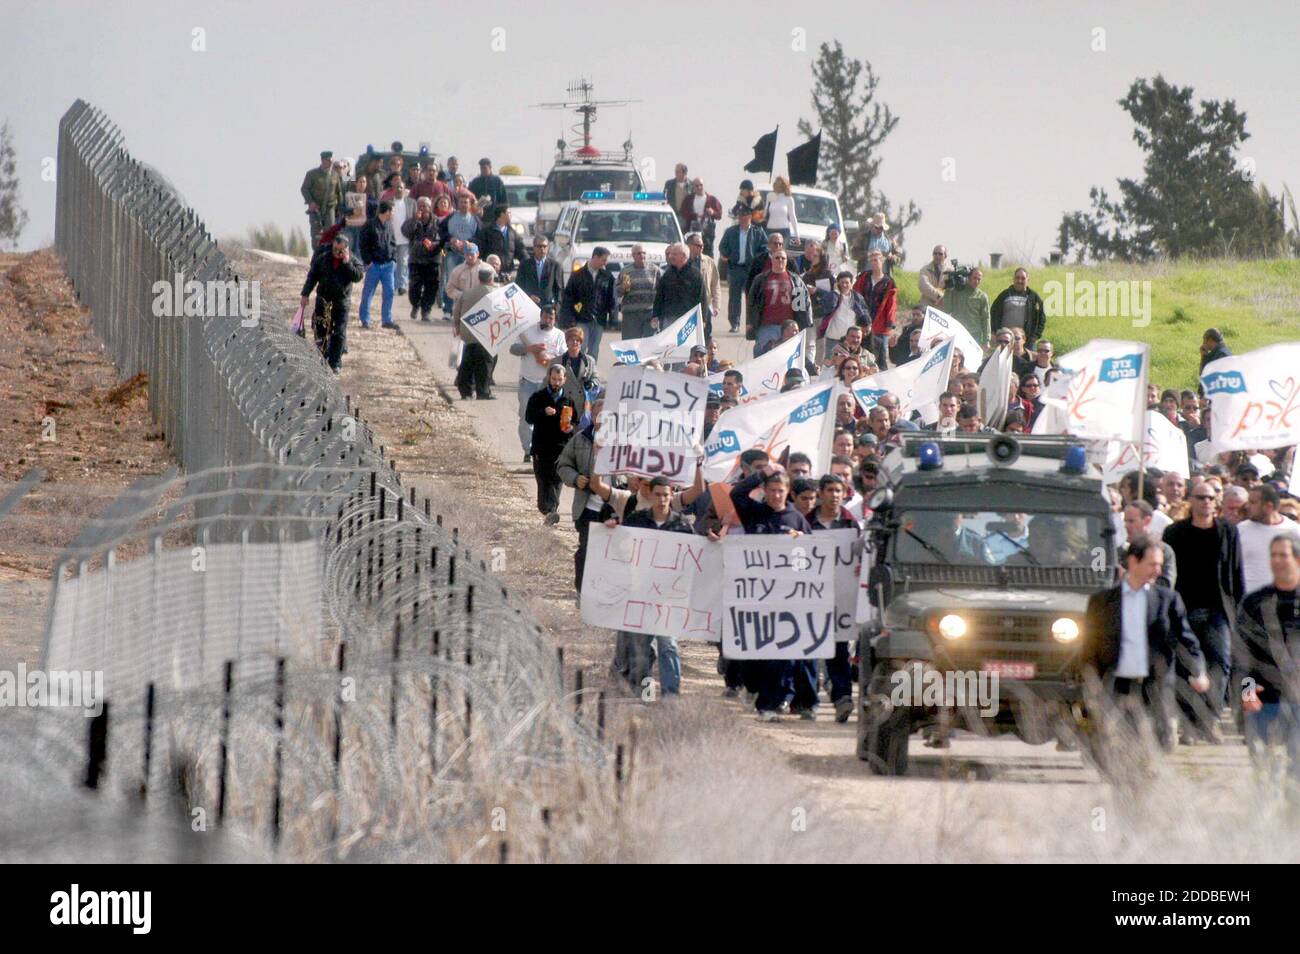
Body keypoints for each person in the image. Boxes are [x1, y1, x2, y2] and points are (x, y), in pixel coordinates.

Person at [1082, 535, 1210, 752]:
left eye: (1160, 565)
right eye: (1152, 564)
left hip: (1155, 684)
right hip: (1116, 683)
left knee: (1157, 746)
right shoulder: (1102, 601)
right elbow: (1090, 647)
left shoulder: (1167, 599)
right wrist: (1089, 682)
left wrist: (1197, 671)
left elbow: (1186, 639)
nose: (1158, 571)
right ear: (1133, 561)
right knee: (1111, 745)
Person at [1162, 479, 1245, 742]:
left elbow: (1236, 571)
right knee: (1186, 668)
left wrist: (1240, 611)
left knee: (1220, 663)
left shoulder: (1228, 531)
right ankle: (1188, 723)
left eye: (1210, 498)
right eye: (1201, 498)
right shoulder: (1175, 533)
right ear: (1191, 501)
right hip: (1184, 608)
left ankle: (1210, 719)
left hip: (1218, 610)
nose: (1206, 502)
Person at [729, 464, 813, 721]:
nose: (777, 495)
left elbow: (813, 558)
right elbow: (736, 495)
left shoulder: (797, 519)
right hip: (756, 597)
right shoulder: (754, 513)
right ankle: (755, 690)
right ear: (765, 490)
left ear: (788, 492)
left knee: (781, 655)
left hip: (787, 598)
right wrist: (761, 473)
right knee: (755, 657)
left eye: (781, 491)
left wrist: (802, 543)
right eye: (772, 490)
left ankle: (770, 704)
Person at [616, 476, 696, 697]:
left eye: (666, 495)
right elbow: (620, 547)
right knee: (642, 650)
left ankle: (671, 695)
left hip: (669, 597)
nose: (662, 499)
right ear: (650, 494)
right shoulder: (636, 520)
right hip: (641, 594)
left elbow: (695, 557)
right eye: (658, 495)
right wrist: (611, 529)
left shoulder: (682, 525)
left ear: (672, 496)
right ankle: (646, 695)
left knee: (668, 644)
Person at [1236, 536, 1300, 777]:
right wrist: (1246, 692)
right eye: (1273, 555)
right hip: (1265, 701)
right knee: (1265, 774)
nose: (1277, 561)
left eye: (1283, 555)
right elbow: (1242, 654)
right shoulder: (1256, 602)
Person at [809, 473, 859, 722]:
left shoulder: (850, 525)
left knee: (838, 648)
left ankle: (843, 699)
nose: (834, 495)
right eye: (830, 490)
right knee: (805, 647)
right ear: (821, 493)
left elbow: (858, 558)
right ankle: (806, 700)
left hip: (839, 600)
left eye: (839, 491)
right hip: (807, 596)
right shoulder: (807, 522)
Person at [510, 301, 567, 462]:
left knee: (548, 417)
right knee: (526, 415)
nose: (548, 320)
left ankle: (543, 450)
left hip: (547, 384)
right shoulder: (527, 332)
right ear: (540, 316)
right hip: (527, 380)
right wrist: (530, 349)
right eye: (545, 317)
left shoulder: (559, 335)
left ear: (555, 319)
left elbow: (563, 357)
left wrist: (550, 359)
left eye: (551, 318)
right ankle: (527, 449)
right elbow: (513, 349)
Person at [299, 233, 364, 372]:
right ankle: (322, 358)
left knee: (339, 333)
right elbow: (312, 276)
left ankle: (335, 362)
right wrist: (305, 294)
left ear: (346, 249)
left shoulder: (352, 261)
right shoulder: (323, 258)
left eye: (340, 250)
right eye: (335, 249)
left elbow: (358, 276)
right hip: (324, 300)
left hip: (341, 303)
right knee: (321, 331)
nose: (337, 253)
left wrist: (347, 263)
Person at [524, 363, 575, 524]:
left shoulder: (568, 400)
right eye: (554, 379)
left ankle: (552, 511)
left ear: (564, 380)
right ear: (548, 378)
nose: (556, 383)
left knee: (557, 479)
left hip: (560, 448)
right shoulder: (538, 397)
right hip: (541, 447)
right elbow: (529, 417)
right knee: (543, 480)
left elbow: (576, 422)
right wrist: (543, 412)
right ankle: (546, 509)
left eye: (559, 379)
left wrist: (570, 429)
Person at [1237, 484, 1300, 597]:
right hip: (1248, 604)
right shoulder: (1240, 530)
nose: (1247, 506)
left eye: (1253, 502)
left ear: (1268, 506)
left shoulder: (1294, 531)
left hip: (1283, 601)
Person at [746, 249, 810, 356]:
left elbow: (805, 303)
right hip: (766, 326)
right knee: (762, 356)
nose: (780, 260)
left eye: (783, 258)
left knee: (788, 356)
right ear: (771, 260)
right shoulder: (760, 279)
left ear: (786, 261)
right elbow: (752, 302)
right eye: (777, 257)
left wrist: (805, 323)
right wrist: (749, 323)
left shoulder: (796, 280)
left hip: (789, 327)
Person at [560, 246, 617, 360]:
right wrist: (570, 317)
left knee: (594, 350)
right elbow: (569, 298)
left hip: (599, 319)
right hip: (582, 319)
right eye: (603, 260)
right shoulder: (578, 275)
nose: (605, 264)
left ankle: (591, 374)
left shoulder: (607, 277)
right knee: (580, 347)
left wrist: (613, 319)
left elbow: (612, 299)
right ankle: (578, 372)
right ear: (595, 257)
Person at [717, 206, 767, 334]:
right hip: (736, 268)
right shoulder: (731, 231)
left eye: (745, 216)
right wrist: (729, 256)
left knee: (752, 298)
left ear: (750, 217)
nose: (742, 219)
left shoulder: (758, 231)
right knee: (734, 297)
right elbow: (722, 246)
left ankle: (751, 324)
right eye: (740, 217)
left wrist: (757, 259)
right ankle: (735, 323)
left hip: (752, 270)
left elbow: (765, 247)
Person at [452, 265, 499, 399]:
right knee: (485, 365)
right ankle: (483, 392)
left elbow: (457, 312)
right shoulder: (495, 293)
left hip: (468, 334)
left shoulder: (467, 293)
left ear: (479, 278)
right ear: (491, 278)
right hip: (486, 335)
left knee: (467, 363)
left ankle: (465, 392)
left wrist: (457, 327)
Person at [439, 193, 482, 318]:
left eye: (466, 202)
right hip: (452, 253)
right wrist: (451, 239)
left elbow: (480, 236)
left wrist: (470, 242)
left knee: (469, 282)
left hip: (469, 256)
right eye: (461, 202)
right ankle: (447, 310)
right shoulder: (451, 217)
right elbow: (441, 230)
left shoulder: (474, 219)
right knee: (451, 281)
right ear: (457, 204)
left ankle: (466, 310)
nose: (463, 204)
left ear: (469, 205)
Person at [357, 200, 397, 329]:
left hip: (388, 265)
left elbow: (392, 243)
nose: (394, 213)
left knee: (389, 292)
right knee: (368, 293)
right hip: (374, 265)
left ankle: (387, 320)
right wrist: (367, 261)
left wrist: (394, 260)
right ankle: (365, 320)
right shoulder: (369, 225)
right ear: (387, 211)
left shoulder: (390, 225)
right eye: (393, 210)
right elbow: (362, 244)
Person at [652, 242, 706, 338]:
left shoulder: (695, 275)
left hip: (688, 320)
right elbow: (659, 296)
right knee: (669, 348)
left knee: (685, 349)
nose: (671, 256)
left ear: (684, 256)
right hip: (669, 318)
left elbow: (702, 298)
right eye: (670, 254)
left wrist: (703, 319)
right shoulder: (667, 274)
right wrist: (655, 315)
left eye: (674, 254)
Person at [855, 250, 897, 370]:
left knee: (881, 357)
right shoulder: (864, 277)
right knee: (863, 354)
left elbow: (891, 304)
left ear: (882, 261)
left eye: (876, 259)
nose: (874, 262)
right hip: (863, 323)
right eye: (872, 260)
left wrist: (890, 324)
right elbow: (856, 295)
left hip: (880, 325)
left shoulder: (889, 282)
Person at [401, 197, 442, 321]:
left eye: (426, 206)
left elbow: (443, 237)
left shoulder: (437, 222)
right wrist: (415, 220)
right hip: (416, 259)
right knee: (414, 287)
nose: (423, 209)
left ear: (430, 208)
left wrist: (434, 244)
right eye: (421, 206)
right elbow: (405, 232)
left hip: (432, 258)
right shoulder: (412, 220)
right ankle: (415, 305)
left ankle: (426, 311)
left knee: (431, 286)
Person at [1123, 501, 1178, 589]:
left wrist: (1132, 578)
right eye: (1125, 521)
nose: (1126, 525)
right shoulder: (1121, 551)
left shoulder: (1163, 551)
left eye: (1131, 521)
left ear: (1147, 521)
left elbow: (1166, 585)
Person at [990, 268, 1047, 346]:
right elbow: (993, 313)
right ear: (1013, 279)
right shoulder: (1004, 295)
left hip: (1026, 342)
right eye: (1017, 278)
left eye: (1023, 278)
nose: (1020, 281)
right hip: (1005, 340)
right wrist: (994, 332)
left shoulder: (1033, 297)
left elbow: (1041, 318)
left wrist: (1035, 336)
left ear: (1028, 280)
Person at [616, 245, 659, 340]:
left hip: (649, 313)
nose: (642, 255)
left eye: (644, 253)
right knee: (630, 345)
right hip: (631, 314)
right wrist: (623, 287)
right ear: (633, 256)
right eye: (638, 253)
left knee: (649, 344)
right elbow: (617, 292)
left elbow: (661, 290)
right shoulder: (625, 271)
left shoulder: (654, 270)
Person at [685, 232, 722, 342]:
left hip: (705, 304)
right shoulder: (683, 261)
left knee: (706, 334)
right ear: (689, 246)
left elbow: (715, 284)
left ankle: (704, 356)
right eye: (698, 246)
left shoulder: (708, 261)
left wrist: (716, 305)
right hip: (687, 305)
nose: (701, 248)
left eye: (702, 246)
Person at [941, 266, 991, 347]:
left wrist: (986, 339)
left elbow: (986, 318)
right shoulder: (956, 292)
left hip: (974, 335)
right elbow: (947, 309)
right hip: (958, 332)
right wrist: (948, 290)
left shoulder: (982, 296)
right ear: (968, 277)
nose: (976, 281)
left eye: (979, 279)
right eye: (974, 278)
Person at [301, 150, 342, 246]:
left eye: (332, 160)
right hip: (316, 209)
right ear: (323, 160)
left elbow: (339, 193)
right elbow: (304, 189)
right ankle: (317, 255)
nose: (331, 162)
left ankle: (327, 257)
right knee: (316, 235)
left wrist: (340, 209)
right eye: (328, 160)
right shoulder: (312, 174)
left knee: (330, 234)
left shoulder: (335, 175)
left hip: (330, 208)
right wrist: (310, 202)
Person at [558, 324, 599, 414]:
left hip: (584, 405)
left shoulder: (590, 361)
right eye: (572, 340)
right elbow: (547, 384)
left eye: (578, 340)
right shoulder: (557, 361)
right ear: (567, 342)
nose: (575, 342)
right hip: (564, 406)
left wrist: (592, 383)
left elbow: (595, 378)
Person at [479, 206, 525, 281]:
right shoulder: (487, 231)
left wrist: (528, 262)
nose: (511, 215)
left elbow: (521, 250)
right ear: (501, 214)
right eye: (508, 212)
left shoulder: (512, 232)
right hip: (491, 274)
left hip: (508, 273)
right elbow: (481, 250)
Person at [516, 236, 563, 307]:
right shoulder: (525, 265)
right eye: (539, 246)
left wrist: (557, 307)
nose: (542, 249)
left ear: (548, 248)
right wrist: (529, 296)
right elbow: (519, 286)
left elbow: (559, 290)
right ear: (534, 248)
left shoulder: (555, 266)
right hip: (529, 306)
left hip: (548, 308)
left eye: (545, 246)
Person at [683, 179, 723, 256]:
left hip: (707, 234)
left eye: (701, 185)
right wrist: (695, 215)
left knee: (707, 254)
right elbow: (683, 212)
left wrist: (713, 212)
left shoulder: (712, 199)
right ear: (693, 187)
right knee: (691, 253)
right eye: (696, 186)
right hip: (691, 232)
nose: (699, 187)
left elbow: (719, 215)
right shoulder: (689, 199)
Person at [762, 176, 799, 244]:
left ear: (784, 185)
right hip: (770, 230)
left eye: (779, 184)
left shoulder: (789, 199)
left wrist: (797, 235)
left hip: (784, 231)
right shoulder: (770, 196)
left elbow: (792, 217)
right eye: (776, 183)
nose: (777, 185)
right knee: (769, 253)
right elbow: (764, 214)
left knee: (780, 254)